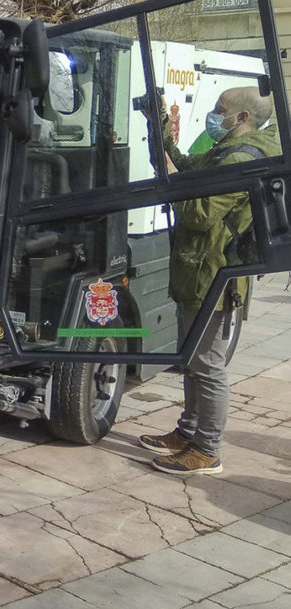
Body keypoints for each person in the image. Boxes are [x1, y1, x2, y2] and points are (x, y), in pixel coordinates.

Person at [139, 86, 279, 476]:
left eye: (221, 110)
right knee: (191, 362)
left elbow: (199, 214)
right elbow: (182, 166)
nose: (214, 116)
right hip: (197, 272)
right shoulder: (224, 154)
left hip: (217, 280)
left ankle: (207, 449)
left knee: (208, 365)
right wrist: (159, 127)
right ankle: (188, 432)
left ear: (242, 118)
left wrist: (171, 184)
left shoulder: (243, 160)